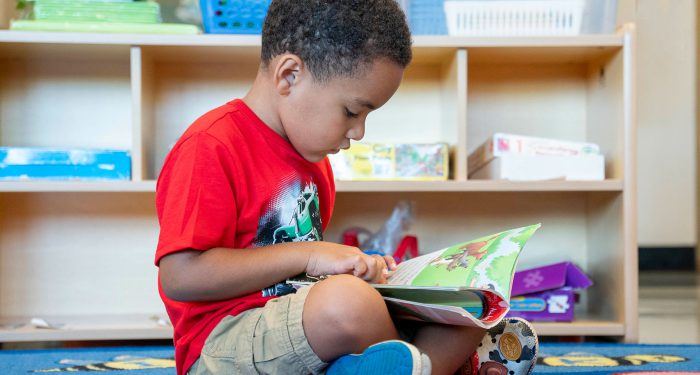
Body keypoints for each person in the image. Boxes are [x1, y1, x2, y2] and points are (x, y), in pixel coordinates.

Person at [155, 1, 538, 374]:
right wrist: (311, 255)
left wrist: (364, 271)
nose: (358, 132)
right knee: (349, 304)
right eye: (352, 112)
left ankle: (411, 363)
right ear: (290, 75)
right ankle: (443, 366)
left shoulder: (315, 164)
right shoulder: (212, 144)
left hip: (304, 330)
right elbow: (181, 276)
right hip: (222, 344)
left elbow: (300, 282)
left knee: (469, 308)